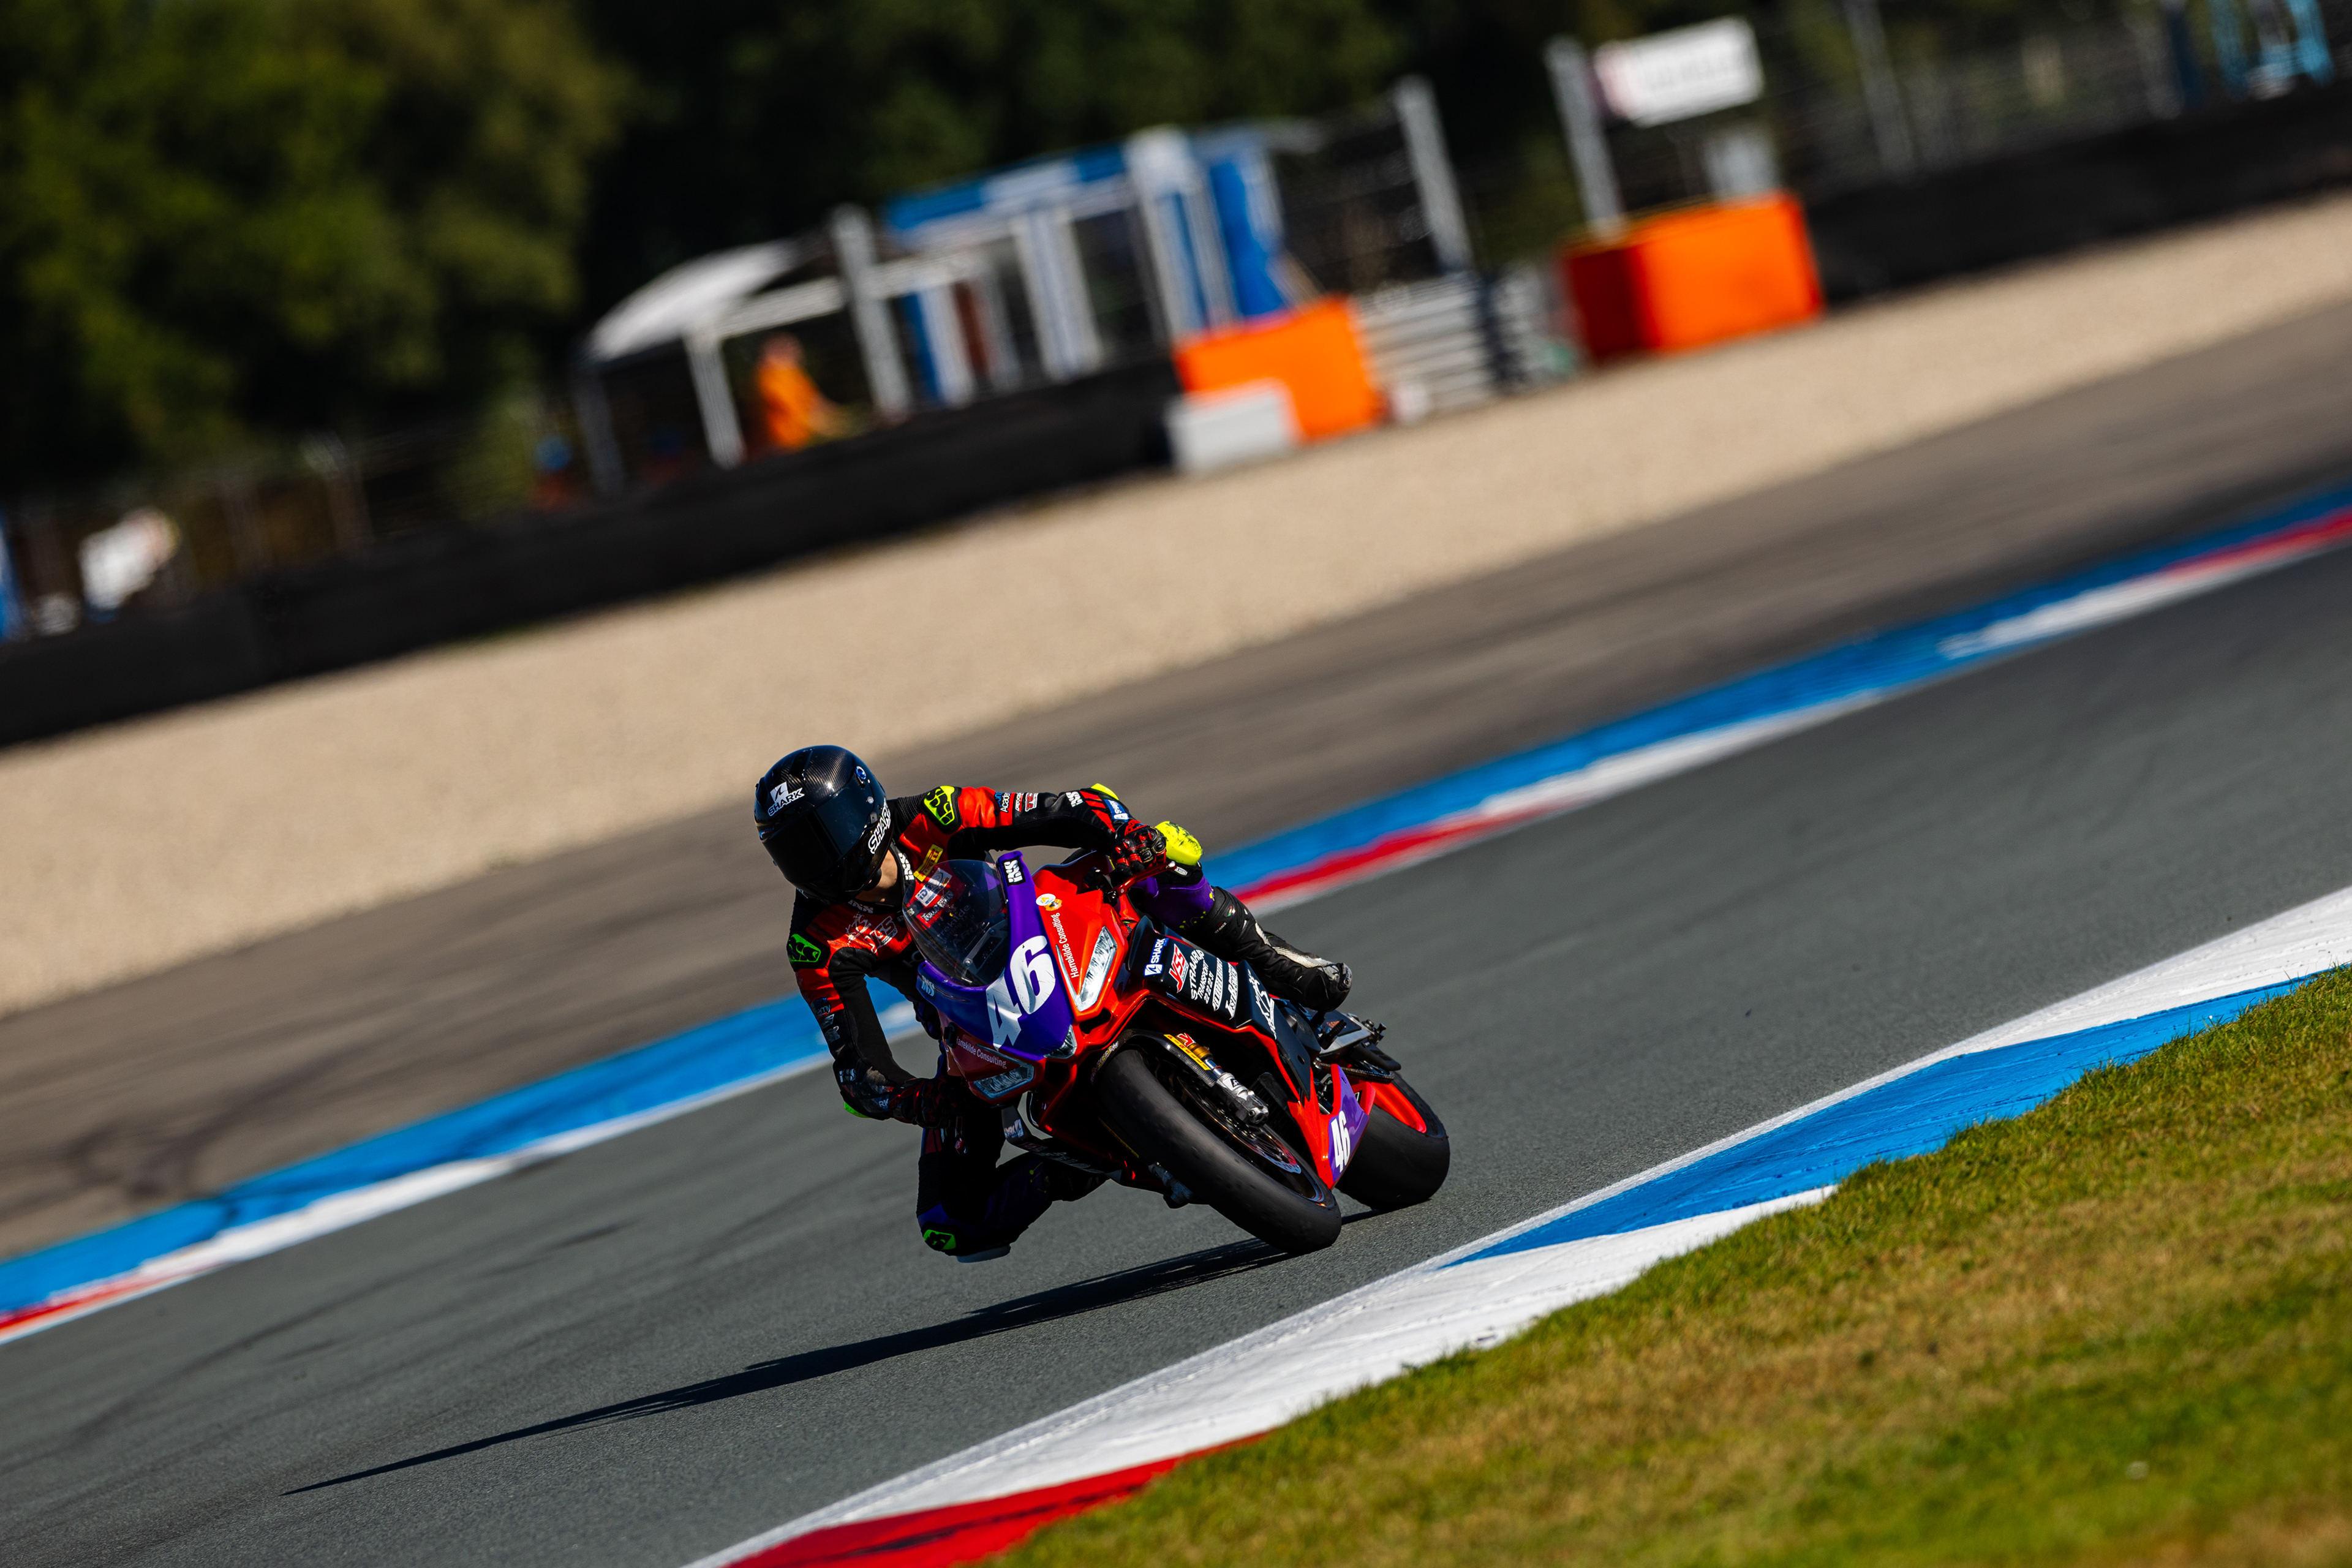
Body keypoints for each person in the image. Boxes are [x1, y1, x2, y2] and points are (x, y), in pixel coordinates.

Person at [753, 744, 1352, 1261]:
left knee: (1159, 860)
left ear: (865, 809)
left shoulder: (937, 813)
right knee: (948, 1223)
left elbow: (1068, 808)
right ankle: (1083, 1159)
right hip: (977, 1024)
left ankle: (1276, 962)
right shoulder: (816, 942)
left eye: (821, 836)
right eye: (794, 852)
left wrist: (1124, 835)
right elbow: (859, 1071)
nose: (816, 862)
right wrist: (922, 1101)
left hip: (1047, 931)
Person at [756, 332, 845, 452]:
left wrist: (837, 416)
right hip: (788, 444)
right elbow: (791, 410)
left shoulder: (795, 373)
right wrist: (829, 426)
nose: (797, 354)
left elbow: (815, 400)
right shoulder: (768, 379)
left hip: (808, 437)